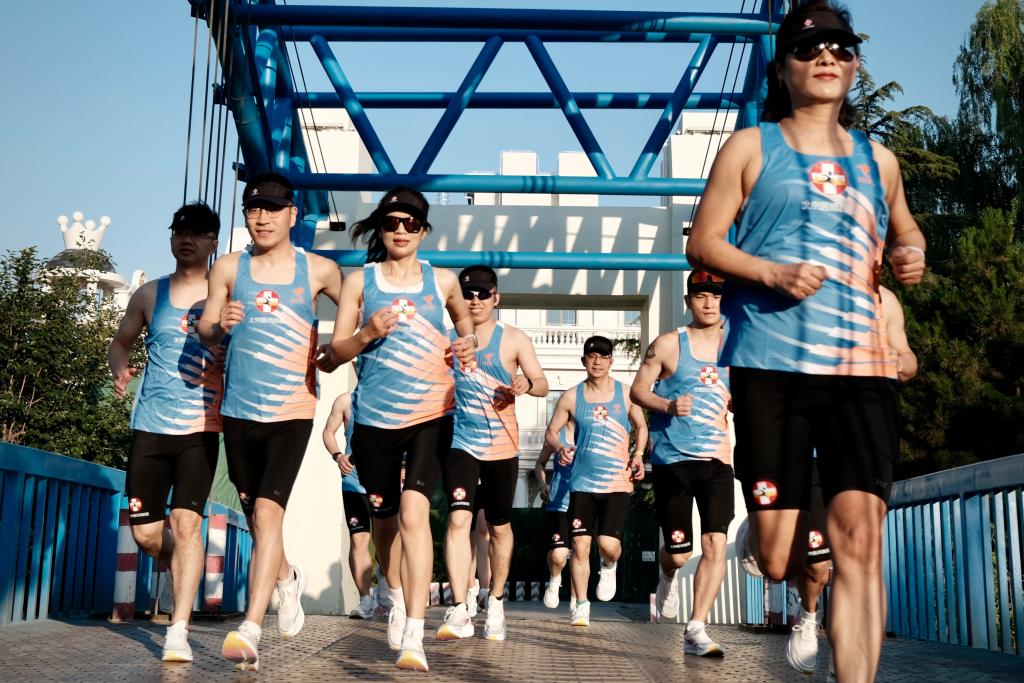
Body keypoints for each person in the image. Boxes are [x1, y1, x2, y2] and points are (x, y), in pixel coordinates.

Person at [685, 2, 927, 680]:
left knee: (862, 543)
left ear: (854, 65)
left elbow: (906, 230)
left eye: (841, 47)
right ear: (783, 68)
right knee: (776, 555)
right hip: (771, 366)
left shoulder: (880, 161)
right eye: (809, 47)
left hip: (862, 369)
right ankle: (792, 579)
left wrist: (910, 252)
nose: (826, 57)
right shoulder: (750, 148)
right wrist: (770, 272)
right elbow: (703, 244)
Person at [323, 187, 476, 672]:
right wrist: (367, 333)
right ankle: (392, 592)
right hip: (374, 420)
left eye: (411, 223)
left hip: (432, 414)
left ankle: (415, 631)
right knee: (385, 523)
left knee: (415, 514)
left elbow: (465, 324)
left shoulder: (443, 281)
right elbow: (334, 354)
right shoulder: (359, 281)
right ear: (382, 228)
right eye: (392, 223)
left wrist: (467, 345)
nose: (401, 230)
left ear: (424, 230)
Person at [197, 172, 343, 671]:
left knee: (267, 513)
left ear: (292, 214)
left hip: (292, 412)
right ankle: (287, 578)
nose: (262, 218)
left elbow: (358, 314)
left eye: (273, 209)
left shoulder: (319, 270)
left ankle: (250, 628)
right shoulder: (229, 268)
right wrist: (218, 324)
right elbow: (205, 328)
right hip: (238, 410)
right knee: (258, 519)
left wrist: (339, 347)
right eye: (254, 209)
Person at [737, 282, 919, 677]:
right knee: (785, 562)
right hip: (793, 443)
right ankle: (804, 605)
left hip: (848, 441)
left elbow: (907, 357)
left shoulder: (883, 299)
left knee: (854, 549)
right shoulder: (788, 287)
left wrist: (899, 361)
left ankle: (844, 663)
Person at [108, 202, 223, 663]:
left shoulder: (227, 294)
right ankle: (180, 562)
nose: (186, 239)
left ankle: (178, 629)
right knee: (148, 536)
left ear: (213, 241)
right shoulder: (148, 295)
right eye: (179, 231)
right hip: (150, 428)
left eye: (197, 233)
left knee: (188, 524)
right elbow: (121, 342)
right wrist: (120, 369)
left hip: (202, 427)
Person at [437, 265, 549, 642]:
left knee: (499, 527)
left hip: (502, 447)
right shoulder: (447, 340)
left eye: (483, 294)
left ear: (495, 298)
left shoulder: (513, 339)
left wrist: (525, 383)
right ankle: (459, 606)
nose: (475, 300)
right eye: (468, 294)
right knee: (458, 520)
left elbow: (542, 383)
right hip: (461, 444)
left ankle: (496, 600)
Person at [629, 270, 733, 657]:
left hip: (717, 460)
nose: (709, 302)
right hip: (672, 459)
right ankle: (666, 575)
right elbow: (638, 390)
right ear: (688, 301)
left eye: (716, 295)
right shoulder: (669, 344)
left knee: (715, 542)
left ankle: (696, 627)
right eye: (701, 295)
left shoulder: (736, 344)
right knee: (678, 553)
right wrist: (668, 405)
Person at [545, 336, 647, 627]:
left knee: (608, 545)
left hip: (617, 484)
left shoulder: (626, 394)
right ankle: (581, 604)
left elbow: (641, 426)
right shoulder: (571, 397)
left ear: (611, 361)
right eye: (592, 357)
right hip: (582, 485)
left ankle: (609, 564)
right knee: (579, 547)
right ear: (584, 361)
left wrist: (638, 454)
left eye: (603, 357)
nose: (597, 362)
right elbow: (551, 432)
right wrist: (560, 447)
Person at [322, 391, 376, 619]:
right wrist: (338, 456)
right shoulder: (345, 401)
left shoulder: (390, 394)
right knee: (358, 539)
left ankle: (387, 591)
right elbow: (328, 432)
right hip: (353, 481)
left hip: (384, 481)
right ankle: (366, 600)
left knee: (389, 538)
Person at [535, 417, 574, 609]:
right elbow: (540, 464)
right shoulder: (556, 436)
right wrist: (543, 485)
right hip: (559, 503)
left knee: (581, 552)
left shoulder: (592, 432)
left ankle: (578, 602)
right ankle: (555, 578)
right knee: (558, 555)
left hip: (585, 500)